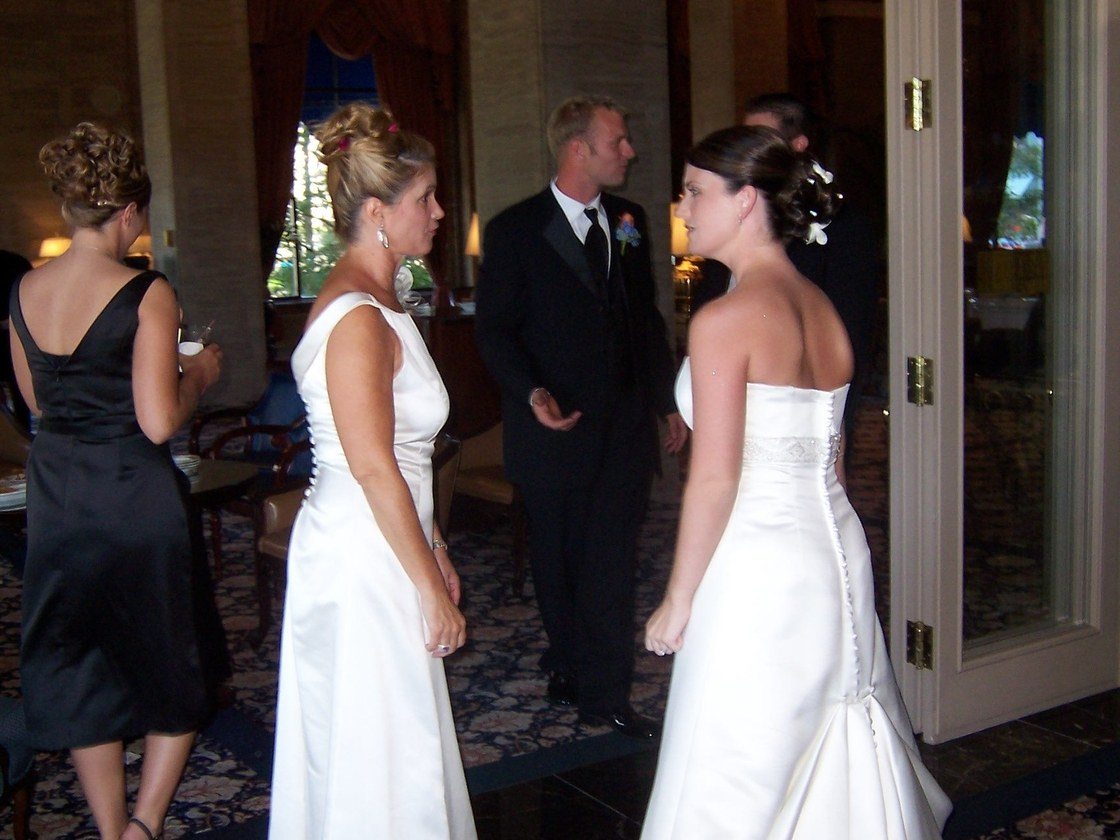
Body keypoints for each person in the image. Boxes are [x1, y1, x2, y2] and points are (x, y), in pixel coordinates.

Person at [642, 126, 951, 837]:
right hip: (835, 551)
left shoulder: (725, 320)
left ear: (746, 200)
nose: (682, 206)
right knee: (826, 722)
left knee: (745, 757)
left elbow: (715, 477)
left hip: (758, 561)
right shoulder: (822, 309)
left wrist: (678, 600)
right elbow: (833, 464)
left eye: (694, 190)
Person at [269, 104, 475, 839]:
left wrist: (438, 547)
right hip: (363, 550)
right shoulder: (358, 315)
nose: (441, 212)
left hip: (389, 536)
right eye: (427, 199)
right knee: (377, 744)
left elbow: (404, 464)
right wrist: (429, 586)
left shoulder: (385, 299)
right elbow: (372, 467)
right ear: (380, 212)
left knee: (392, 739)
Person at [12, 122, 223, 840]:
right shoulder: (146, 291)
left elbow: (40, 405)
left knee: (80, 663)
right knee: (170, 656)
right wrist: (198, 374)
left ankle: (109, 830)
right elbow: (159, 420)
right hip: (133, 495)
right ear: (130, 214)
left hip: (59, 497)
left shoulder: (22, 292)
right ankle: (145, 824)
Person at [475, 95, 687, 740]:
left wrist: (665, 400)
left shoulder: (629, 219)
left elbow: (643, 315)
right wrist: (531, 391)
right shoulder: (515, 230)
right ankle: (565, 655)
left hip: (621, 429)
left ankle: (606, 691)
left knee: (612, 560)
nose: (630, 151)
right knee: (557, 558)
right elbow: (495, 331)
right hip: (552, 431)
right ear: (578, 148)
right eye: (617, 140)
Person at [690, 93, 879, 436]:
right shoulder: (724, 227)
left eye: (761, 140)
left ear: (798, 145)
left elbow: (847, 339)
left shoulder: (845, 230)